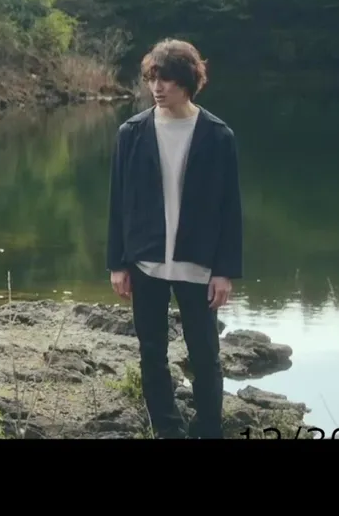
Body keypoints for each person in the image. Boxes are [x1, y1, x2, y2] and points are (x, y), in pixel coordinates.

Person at [104, 38, 243, 439]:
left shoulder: (218, 135)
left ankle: (208, 429)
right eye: (152, 79)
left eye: (166, 80)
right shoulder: (132, 132)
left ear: (188, 82)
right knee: (152, 352)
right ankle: (167, 429)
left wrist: (224, 271)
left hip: (197, 262)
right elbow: (119, 202)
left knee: (205, 355)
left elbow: (230, 209)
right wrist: (117, 263)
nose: (157, 87)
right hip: (146, 260)